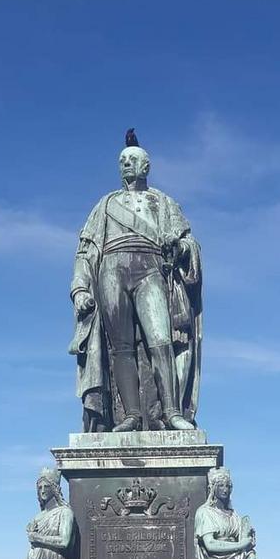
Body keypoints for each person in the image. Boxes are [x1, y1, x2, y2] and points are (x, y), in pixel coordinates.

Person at [69, 129, 202, 432]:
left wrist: (179, 248)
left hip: (150, 267)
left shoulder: (163, 203)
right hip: (111, 270)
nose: (126, 164)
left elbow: (189, 243)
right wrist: (79, 289)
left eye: (132, 160)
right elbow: (86, 250)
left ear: (146, 167)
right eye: (122, 160)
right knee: (121, 347)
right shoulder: (104, 205)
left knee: (161, 340)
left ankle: (171, 412)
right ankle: (131, 415)